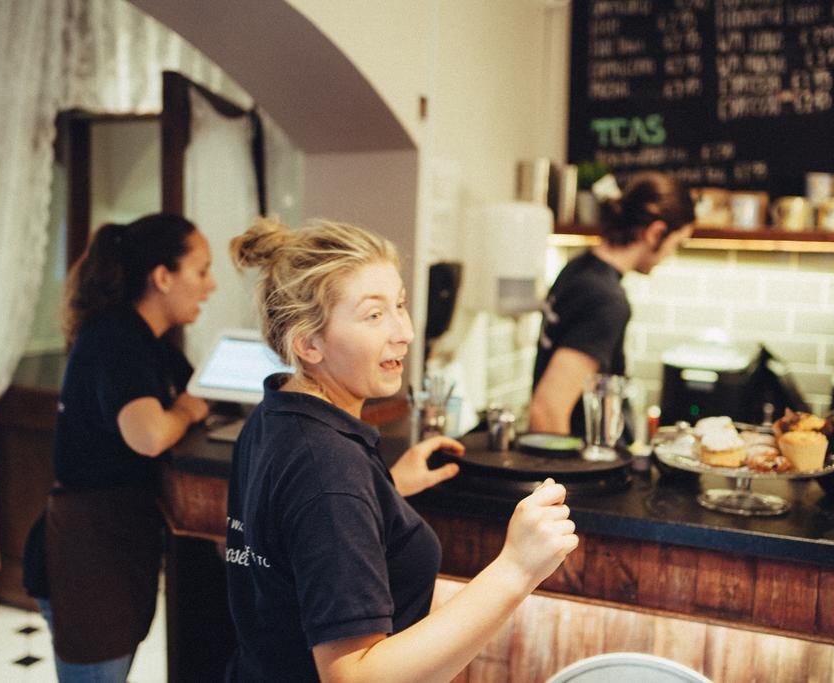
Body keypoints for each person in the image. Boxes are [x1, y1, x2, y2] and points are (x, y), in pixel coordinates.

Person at [225, 217, 578, 682]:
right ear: (308, 343)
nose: (404, 332)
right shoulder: (331, 472)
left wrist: (383, 490)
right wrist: (516, 568)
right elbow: (354, 676)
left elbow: (296, 545)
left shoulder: (276, 416)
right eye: (374, 315)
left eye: (400, 305)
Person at [23, 213, 215, 681]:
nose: (210, 287)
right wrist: (186, 412)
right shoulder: (116, 337)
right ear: (163, 277)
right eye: (202, 270)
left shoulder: (152, 342)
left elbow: (201, 393)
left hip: (117, 542)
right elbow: (148, 434)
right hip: (87, 552)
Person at [529, 171, 694, 437]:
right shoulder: (607, 300)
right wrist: (559, 478)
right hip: (583, 464)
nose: (669, 256)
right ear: (656, 233)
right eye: (675, 244)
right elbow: (547, 409)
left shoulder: (578, 267)